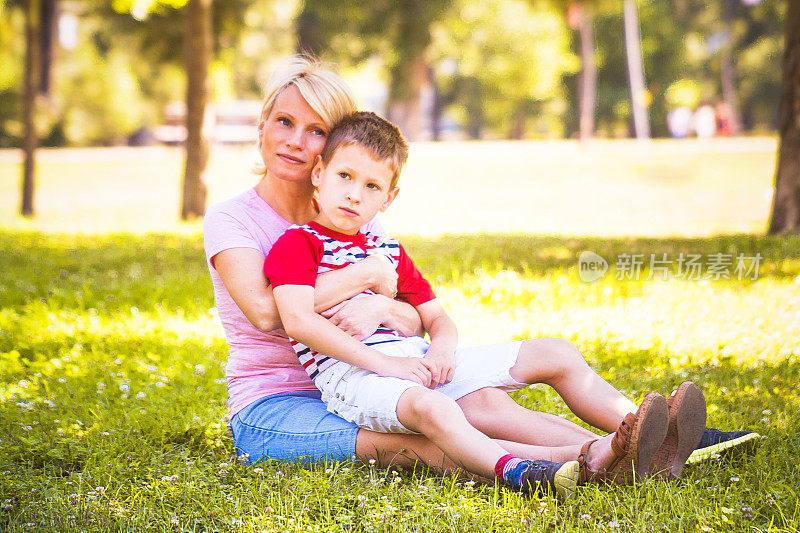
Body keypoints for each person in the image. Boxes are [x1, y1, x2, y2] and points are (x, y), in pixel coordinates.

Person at [202, 55, 759, 485]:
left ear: (335, 146)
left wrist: (388, 304)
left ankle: (646, 435)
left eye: (316, 129)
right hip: (284, 401)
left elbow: (415, 312)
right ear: (262, 126)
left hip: (386, 367)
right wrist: (368, 278)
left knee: (489, 402)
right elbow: (268, 311)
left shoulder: (359, 221)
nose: (296, 142)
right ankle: (589, 460)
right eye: (283, 122)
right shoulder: (238, 221)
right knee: (420, 438)